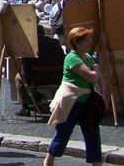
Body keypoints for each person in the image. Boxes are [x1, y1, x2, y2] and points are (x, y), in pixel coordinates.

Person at [44, 27, 104, 166]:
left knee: (93, 133)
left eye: (89, 39)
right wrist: (96, 70)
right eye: (86, 40)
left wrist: (104, 95)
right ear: (77, 42)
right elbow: (91, 77)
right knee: (63, 133)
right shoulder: (72, 57)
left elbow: (101, 79)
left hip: (87, 102)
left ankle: (97, 163)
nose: (89, 43)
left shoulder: (88, 57)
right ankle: (48, 161)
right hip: (71, 102)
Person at [16, 24, 65, 116]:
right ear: (43, 33)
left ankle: (25, 107)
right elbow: (63, 60)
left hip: (36, 79)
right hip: (56, 78)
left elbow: (26, 70)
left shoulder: (30, 45)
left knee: (19, 78)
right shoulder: (55, 43)